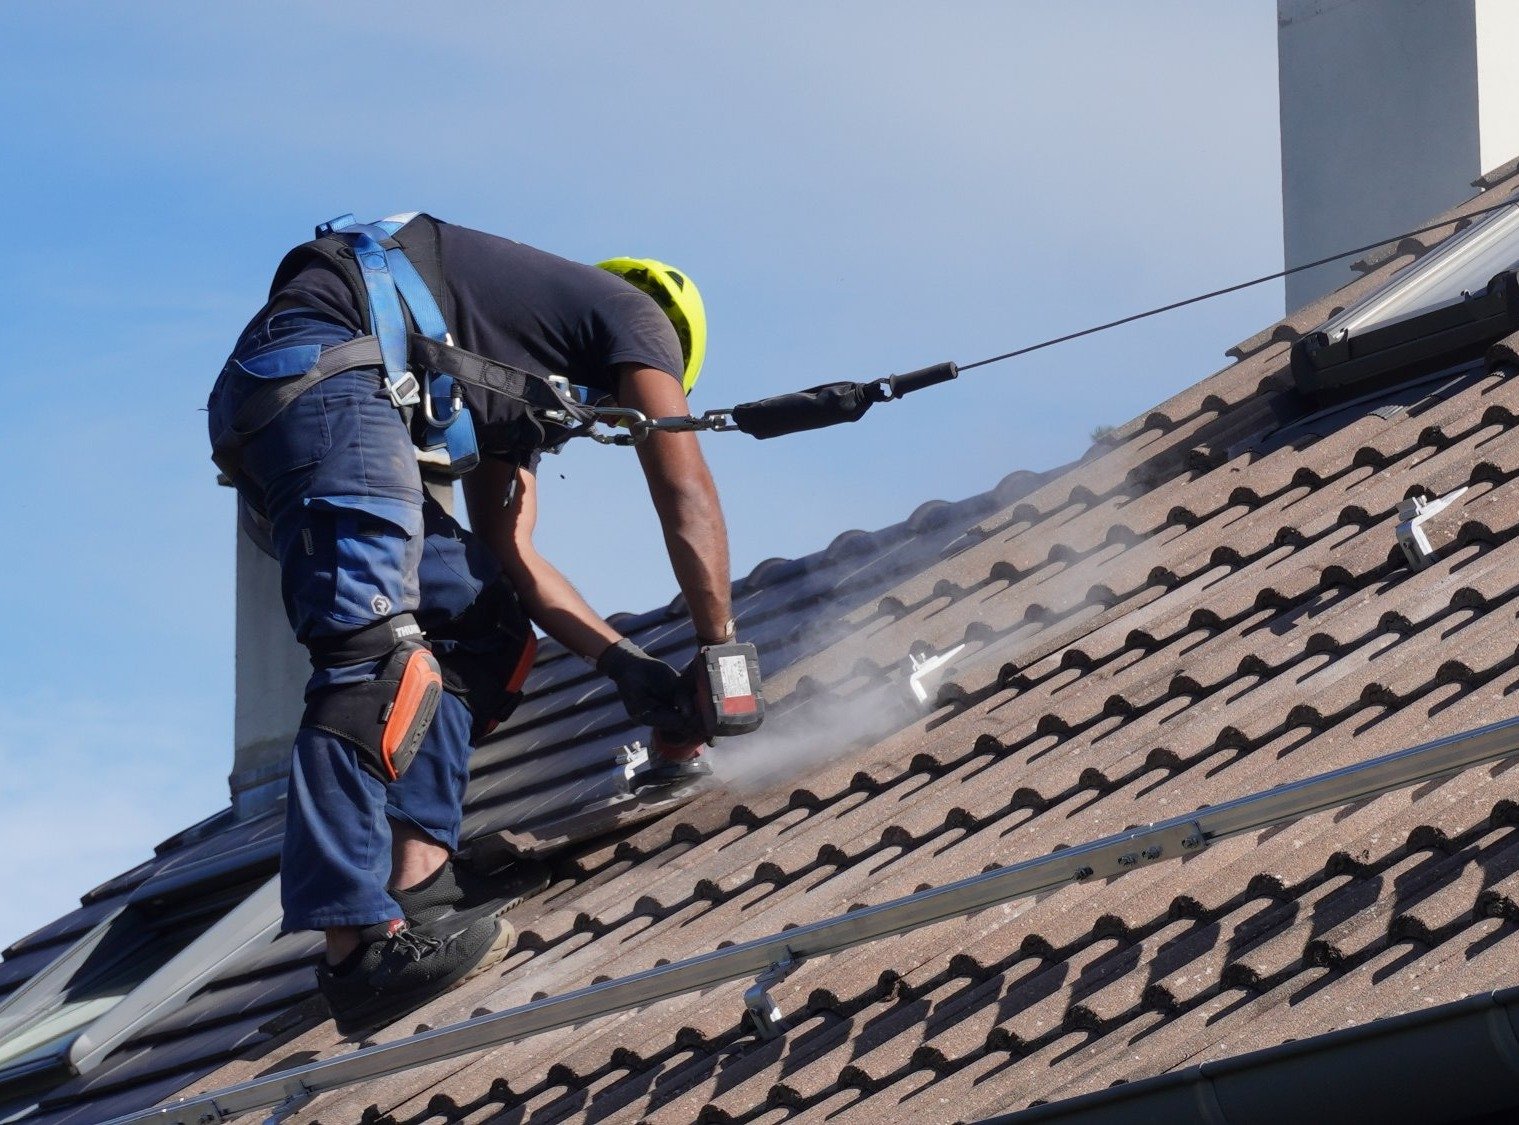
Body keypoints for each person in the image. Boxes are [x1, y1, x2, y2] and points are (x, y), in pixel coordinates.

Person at [207, 212, 737, 1035]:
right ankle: (356, 949)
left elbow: (510, 554)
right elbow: (684, 488)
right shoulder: (637, 318)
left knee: (480, 625)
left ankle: (420, 889)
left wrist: (627, 666)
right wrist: (719, 652)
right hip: (327, 378)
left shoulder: (501, 368)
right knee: (371, 650)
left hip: (306, 395)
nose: (597, 415)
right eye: (616, 402)